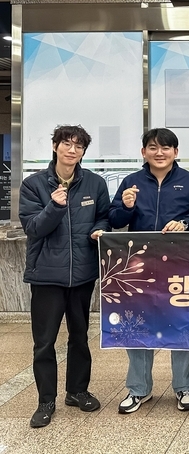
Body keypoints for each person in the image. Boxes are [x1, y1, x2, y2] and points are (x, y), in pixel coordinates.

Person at [109, 128, 189, 414]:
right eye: (153, 147)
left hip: (180, 264)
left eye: (166, 148)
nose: (159, 152)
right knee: (136, 324)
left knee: (182, 324)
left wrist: (185, 223)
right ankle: (138, 389)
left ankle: (184, 387)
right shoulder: (131, 182)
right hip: (138, 267)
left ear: (176, 152)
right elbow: (115, 219)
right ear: (144, 152)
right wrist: (127, 207)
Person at [19, 125, 110, 428]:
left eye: (79, 146)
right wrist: (55, 206)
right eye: (67, 144)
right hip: (46, 276)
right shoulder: (33, 185)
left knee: (79, 337)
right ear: (55, 146)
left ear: (84, 152)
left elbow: (104, 217)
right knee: (44, 342)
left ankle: (77, 391)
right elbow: (34, 228)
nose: (72, 150)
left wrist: (100, 230)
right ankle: (46, 401)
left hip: (83, 274)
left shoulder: (95, 183)